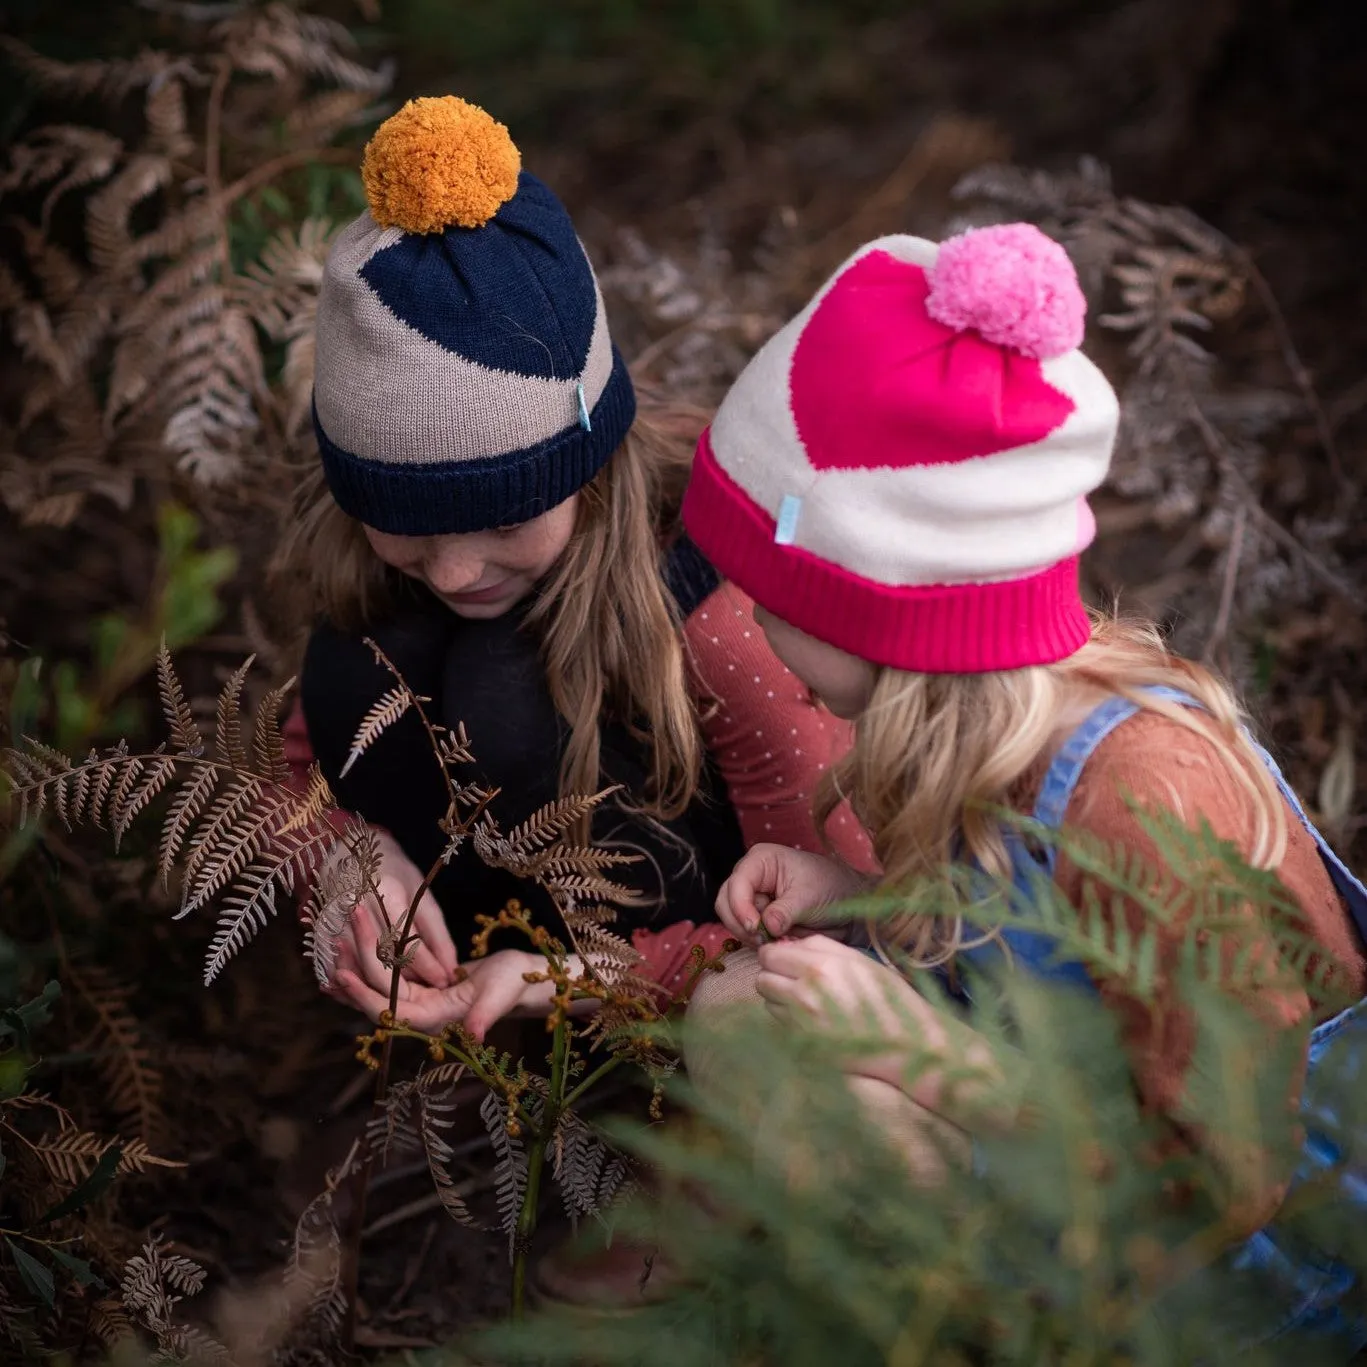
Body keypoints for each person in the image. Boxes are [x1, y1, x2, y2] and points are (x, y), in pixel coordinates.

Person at [679, 222, 1367, 1343]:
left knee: (828, 1084)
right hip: (1065, 1148)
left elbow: (1223, 1167)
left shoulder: (1142, 796)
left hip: (1252, 1266)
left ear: (883, 610)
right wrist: (858, 896)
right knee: (743, 1011)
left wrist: (936, 1064)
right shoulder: (989, 729)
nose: (747, 619)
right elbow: (1026, 949)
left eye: (773, 596)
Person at [273, 93, 868, 1044]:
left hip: (673, 970)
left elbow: (838, 909)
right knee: (360, 663)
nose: (456, 571)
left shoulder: (721, 603)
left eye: (502, 516)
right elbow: (283, 767)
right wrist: (341, 853)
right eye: (408, 530)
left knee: (506, 696)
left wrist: (573, 978)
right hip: (474, 971)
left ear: (587, 465)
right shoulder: (368, 562)